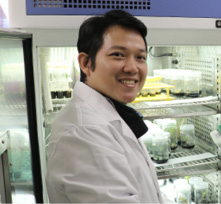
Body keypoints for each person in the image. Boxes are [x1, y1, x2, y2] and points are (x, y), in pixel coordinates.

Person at [46, 10, 164, 203]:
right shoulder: (84, 133)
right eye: (118, 55)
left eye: (140, 57)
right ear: (85, 63)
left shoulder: (109, 111)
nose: (133, 68)